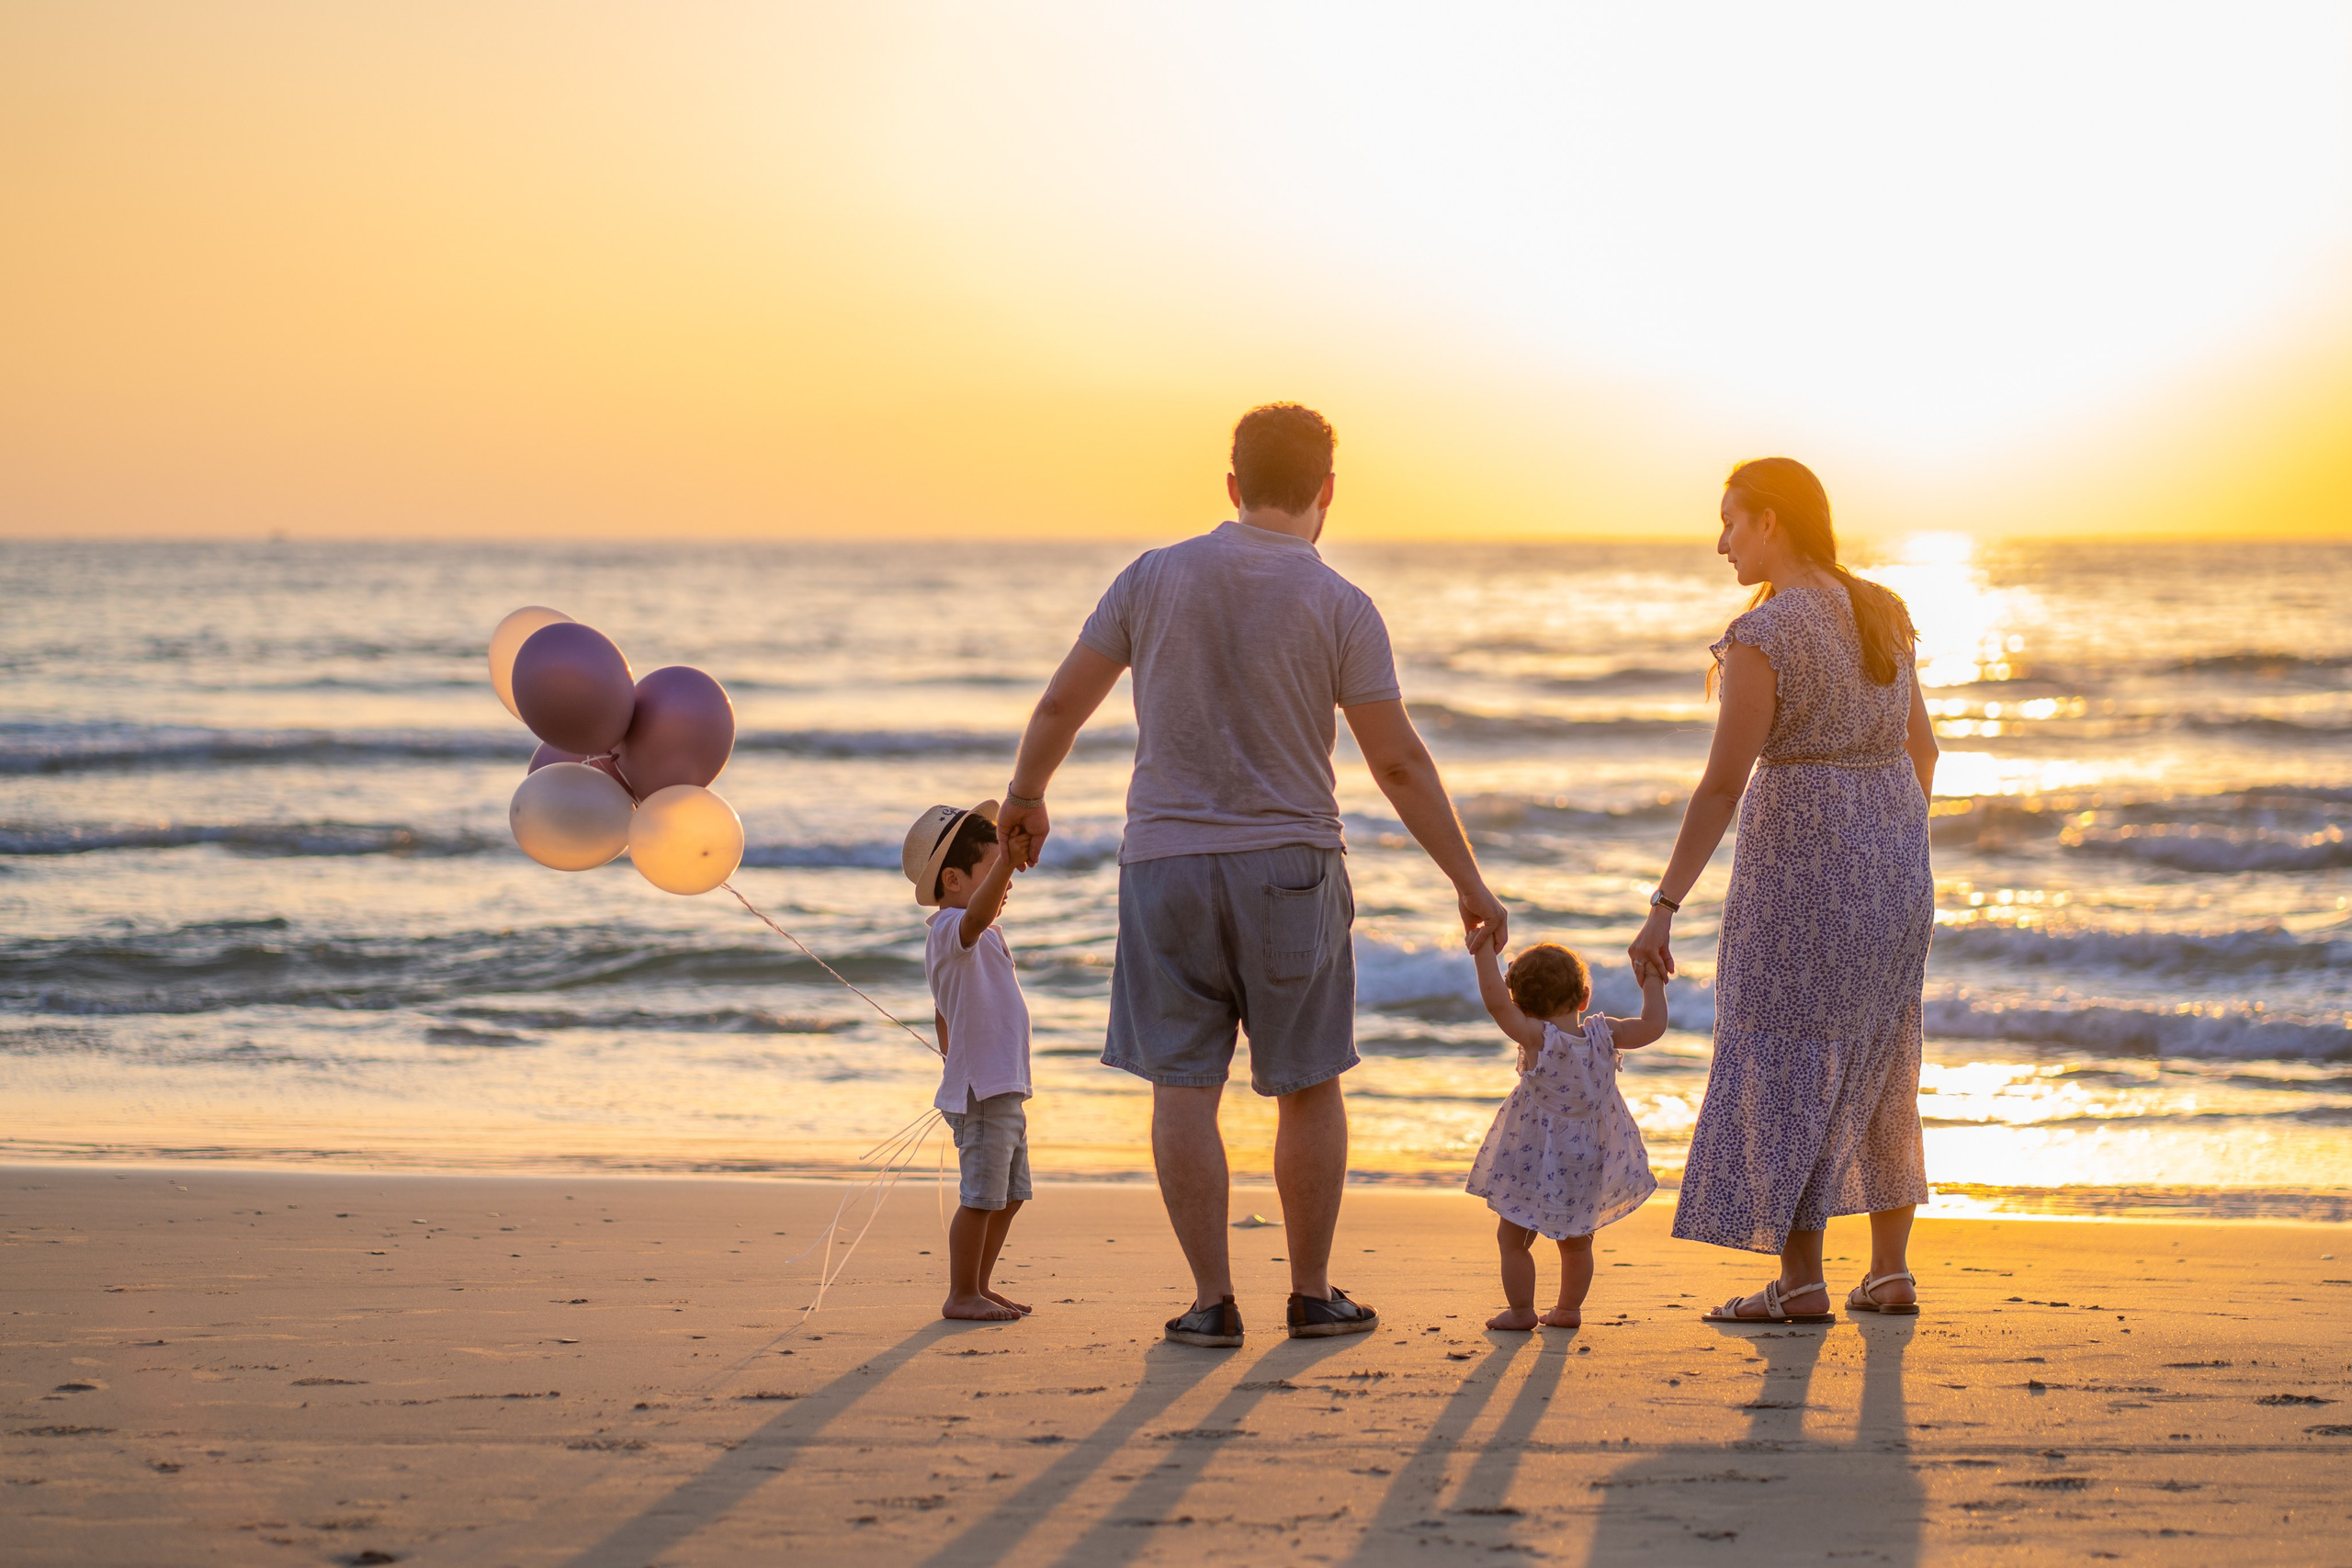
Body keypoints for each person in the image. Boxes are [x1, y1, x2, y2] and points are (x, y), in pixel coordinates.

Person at [996, 402, 1509, 1348]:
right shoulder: (1341, 602)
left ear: (1232, 484)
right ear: (1327, 492)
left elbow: (1062, 702)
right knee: (1307, 1083)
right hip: (1291, 867)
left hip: (1165, 865)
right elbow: (1398, 762)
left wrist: (1024, 794)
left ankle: (1210, 1302)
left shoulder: (1150, 578)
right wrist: (1467, 882)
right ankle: (1310, 1294)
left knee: (1182, 1085)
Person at [1627, 457, 1937, 1323]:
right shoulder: (1882, 608)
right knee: (1883, 1055)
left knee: (1784, 1055)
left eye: (1730, 521)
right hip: (1896, 868)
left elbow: (1722, 785)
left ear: (1771, 521)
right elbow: (1924, 751)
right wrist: (1891, 843)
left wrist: (1663, 906)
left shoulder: (1764, 633)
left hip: (1800, 868)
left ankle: (1800, 1282)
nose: (1721, 542)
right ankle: (1889, 1272)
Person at [1464, 937, 1666, 1330]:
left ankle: (1521, 1312)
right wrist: (1653, 977)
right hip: (1587, 1156)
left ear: (1522, 1006)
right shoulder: (1605, 1034)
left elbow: (1495, 1004)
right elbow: (1653, 1026)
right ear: (1584, 997)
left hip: (1532, 1154)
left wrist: (1483, 950)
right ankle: (1568, 1310)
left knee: (1513, 1239)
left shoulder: (1537, 1038)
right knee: (1577, 1241)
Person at [902, 800, 1035, 1324]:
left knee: (1010, 1195)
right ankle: (960, 1293)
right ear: (954, 880)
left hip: (1001, 1086)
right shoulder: (953, 927)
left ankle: (978, 1285)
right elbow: (977, 915)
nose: (1007, 881)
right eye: (994, 869)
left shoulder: (984, 935)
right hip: (983, 1090)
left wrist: (950, 1058)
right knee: (981, 1196)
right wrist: (1010, 856)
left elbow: (943, 1010)